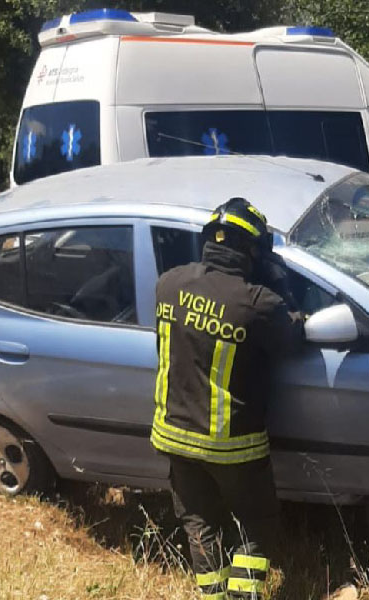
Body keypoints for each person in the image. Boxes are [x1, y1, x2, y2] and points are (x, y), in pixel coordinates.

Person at [151, 197, 303, 599]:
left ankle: (215, 596)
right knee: (257, 521)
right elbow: (292, 338)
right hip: (232, 444)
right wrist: (281, 287)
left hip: (173, 434)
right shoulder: (257, 303)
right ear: (252, 250)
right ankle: (244, 595)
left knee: (199, 522)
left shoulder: (168, 284)